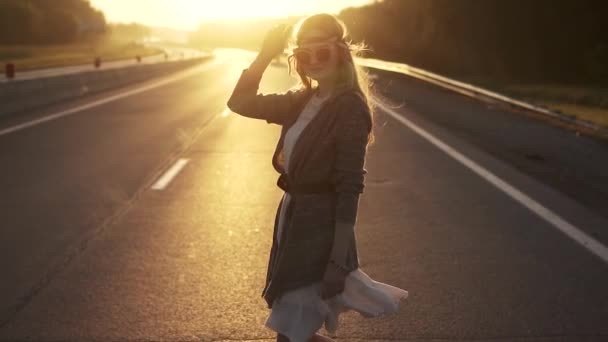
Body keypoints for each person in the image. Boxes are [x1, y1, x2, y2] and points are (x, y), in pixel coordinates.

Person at [227, 13, 408, 342]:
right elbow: (239, 102)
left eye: (321, 52)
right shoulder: (301, 100)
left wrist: (338, 258)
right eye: (303, 55)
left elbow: (349, 185)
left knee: (290, 332)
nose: (313, 62)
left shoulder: (350, 107)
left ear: (340, 52)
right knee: (292, 331)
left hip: (320, 230)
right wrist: (265, 54)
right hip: (292, 218)